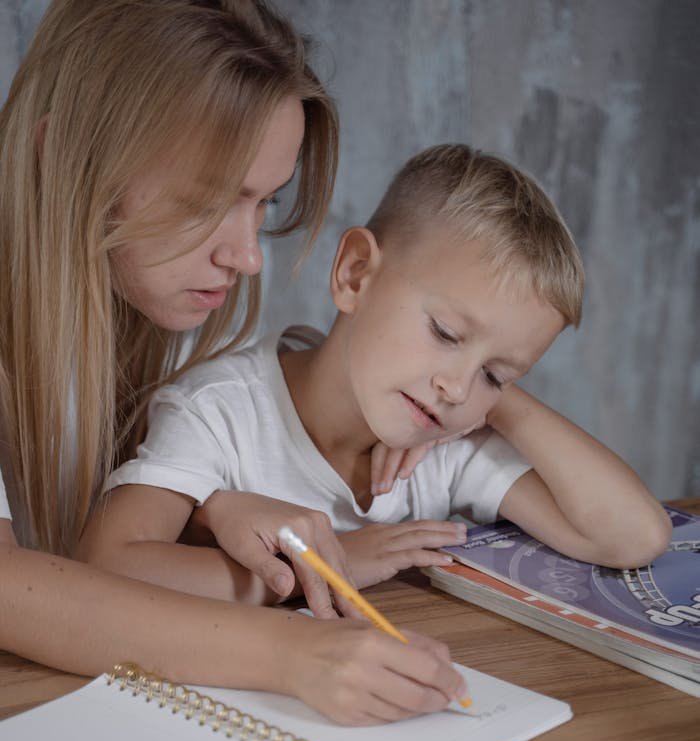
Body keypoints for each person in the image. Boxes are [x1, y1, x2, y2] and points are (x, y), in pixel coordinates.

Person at [0, 0, 466, 727]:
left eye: (262, 204)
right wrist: (289, 656)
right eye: (204, 202)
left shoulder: (154, 308)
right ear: (59, 156)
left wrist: (211, 504)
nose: (247, 257)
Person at [80, 143, 671, 612]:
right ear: (356, 275)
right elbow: (108, 565)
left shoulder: (440, 445)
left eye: (496, 373)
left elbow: (631, 536)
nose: (457, 388)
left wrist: (505, 407)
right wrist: (328, 566)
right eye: (445, 334)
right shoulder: (220, 411)